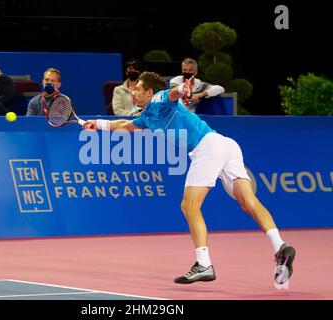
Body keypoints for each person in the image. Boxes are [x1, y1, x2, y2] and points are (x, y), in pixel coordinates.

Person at [83, 71, 296, 285]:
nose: (133, 91)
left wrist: (182, 90)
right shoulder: (148, 117)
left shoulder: (158, 99)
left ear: (149, 92)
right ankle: (280, 246)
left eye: (137, 88)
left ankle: (203, 264)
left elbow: (172, 94)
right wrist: (95, 124)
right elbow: (124, 126)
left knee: (189, 206)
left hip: (207, 147)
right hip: (226, 145)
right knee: (248, 202)